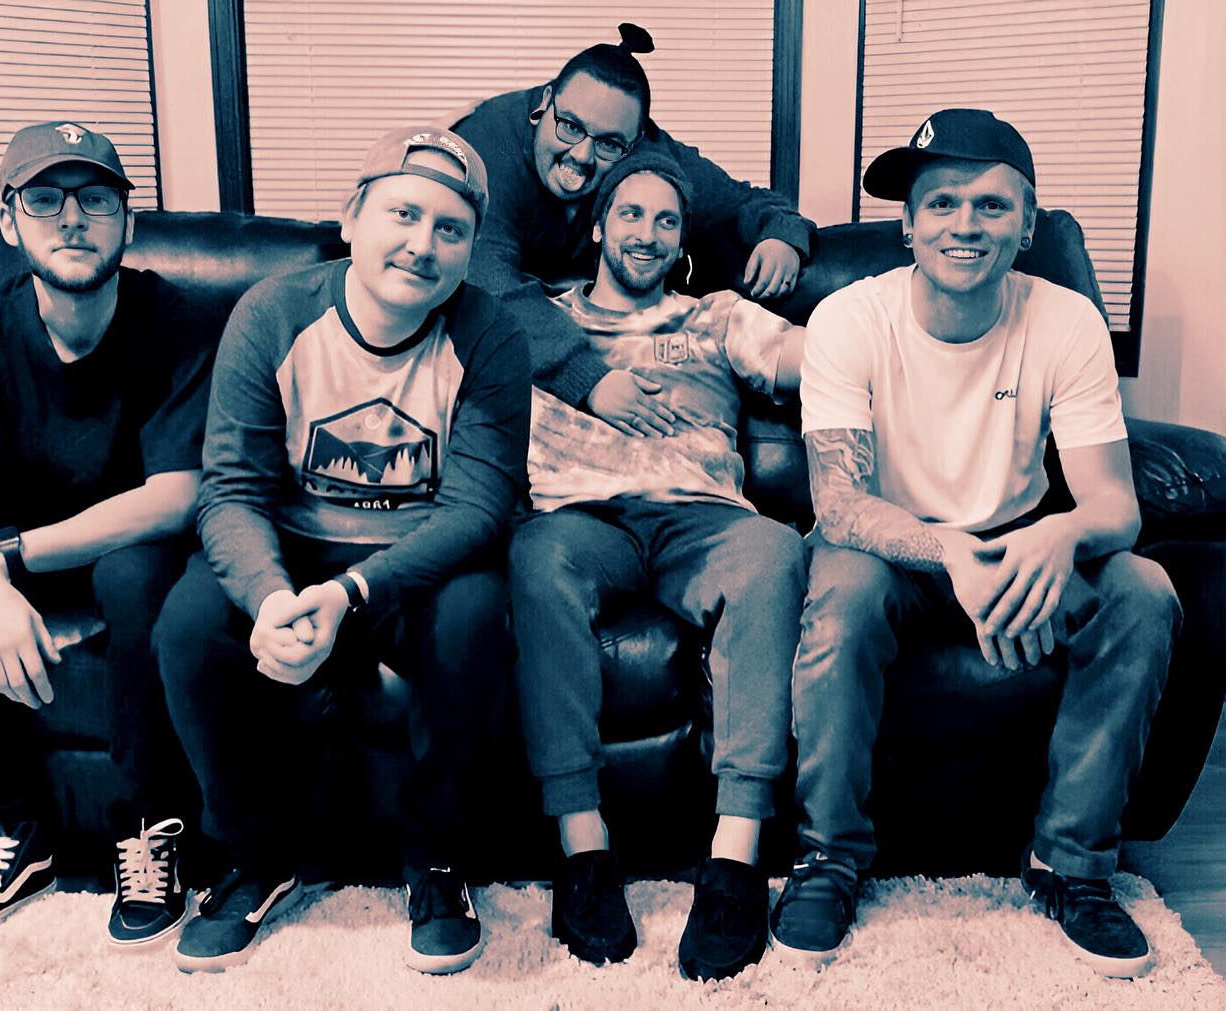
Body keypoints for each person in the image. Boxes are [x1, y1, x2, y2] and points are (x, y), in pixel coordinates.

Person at [771, 109, 1181, 978]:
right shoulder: (849, 319)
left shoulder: (1066, 320)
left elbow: (1116, 506)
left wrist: (1062, 531)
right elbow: (837, 506)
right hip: (891, 549)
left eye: (992, 205)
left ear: (1027, 226)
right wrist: (951, 551)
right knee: (841, 591)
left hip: (1018, 543)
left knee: (1143, 591)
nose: (965, 224)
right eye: (942, 203)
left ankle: (1072, 865)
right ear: (908, 225)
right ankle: (828, 856)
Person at [152, 126, 530, 976]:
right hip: (289, 553)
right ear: (352, 217)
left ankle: (437, 860)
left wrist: (351, 593)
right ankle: (256, 856)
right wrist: (270, 599)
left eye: (450, 229)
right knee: (187, 625)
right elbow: (231, 489)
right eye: (403, 214)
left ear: (470, 251)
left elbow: (479, 509)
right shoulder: (272, 313)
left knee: (474, 614)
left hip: (417, 564)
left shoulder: (491, 335)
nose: (422, 244)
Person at [0, 122, 214, 955]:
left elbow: (175, 498)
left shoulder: (177, 320)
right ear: (7, 221)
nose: (72, 217)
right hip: (16, 555)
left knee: (136, 577)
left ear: (128, 221)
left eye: (95, 198)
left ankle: (150, 828)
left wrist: (5, 557)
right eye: (45, 199)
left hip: (129, 548)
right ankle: (9, 831)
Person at [509, 153, 807, 981]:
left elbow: (812, 356)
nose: (647, 233)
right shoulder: (539, 322)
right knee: (534, 558)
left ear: (682, 242)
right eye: (631, 214)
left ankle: (735, 857)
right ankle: (583, 850)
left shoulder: (716, 315)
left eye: (666, 220)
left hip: (700, 516)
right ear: (598, 226)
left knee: (775, 549)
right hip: (580, 518)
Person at [451, 24, 818, 442]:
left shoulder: (648, 152)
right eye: (569, 126)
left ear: (637, 141)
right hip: (527, 346)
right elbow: (484, 279)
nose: (581, 155)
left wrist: (781, 236)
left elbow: (742, 201)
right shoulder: (486, 144)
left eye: (609, 144)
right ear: (546, 101)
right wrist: (588, 378)